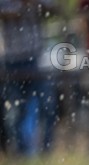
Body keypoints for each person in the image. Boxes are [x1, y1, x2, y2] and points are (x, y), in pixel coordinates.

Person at [1, 0, 58, 156]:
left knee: (48, 105)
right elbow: (7, 13)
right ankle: (20, 153)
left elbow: (54, 8)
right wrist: (21, 6)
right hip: (12, 60)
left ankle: (46, 150)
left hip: (36, 58)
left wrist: (35, 4)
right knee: (15, 110)